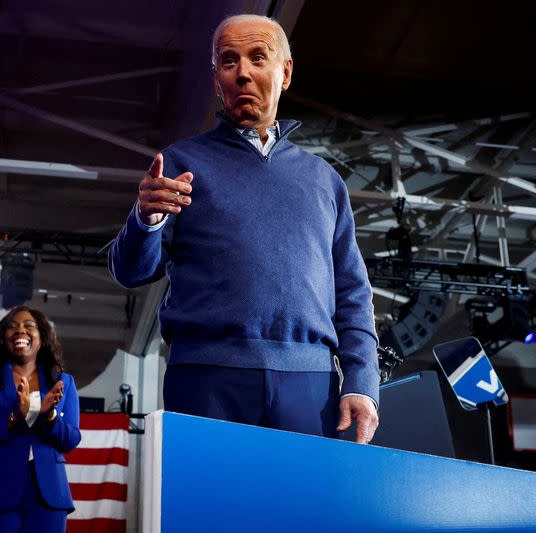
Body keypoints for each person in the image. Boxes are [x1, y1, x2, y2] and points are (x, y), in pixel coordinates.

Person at [109, 14, 380, 443]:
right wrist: (146, 221)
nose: (244, 73)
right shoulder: (180, 164)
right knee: (212, 510)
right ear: (216, 77)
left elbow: (352, 293)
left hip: (310, 383)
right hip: (206, 379)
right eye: (228, 61)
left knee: (303, 510)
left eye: (258, 57)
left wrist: (363, 382)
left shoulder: (324, 179)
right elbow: (130, 271)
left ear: (285, 72)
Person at [0, 306, 81, 532]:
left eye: (28, 326)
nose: (20, 331)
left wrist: (49, 415)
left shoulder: (64, 381)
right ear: (3, 338)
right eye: (12, 327)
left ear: (41, 338)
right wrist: (15, 416)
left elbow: (71, 439)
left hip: (48, 495)